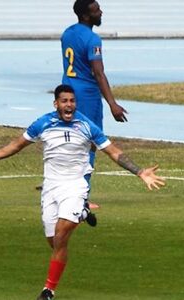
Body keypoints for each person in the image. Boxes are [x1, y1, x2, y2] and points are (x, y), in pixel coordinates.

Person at [0, 85, 165, 300]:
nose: (69, 105)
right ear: (56, 104)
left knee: (61, 236)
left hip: (75, 186)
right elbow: (16, 145)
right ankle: (83, 213)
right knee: (54, 241)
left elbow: (113, 151)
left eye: (72, 101)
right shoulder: (43, 123)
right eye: (64, 101)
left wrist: (139, 171)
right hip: (51, 187)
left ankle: (48, 290)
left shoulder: (87, 126)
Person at [61, 0, 127, 218]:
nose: (101, 12)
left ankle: (63, 186)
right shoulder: (93, 39)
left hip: (68, 90)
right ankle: (82, 197)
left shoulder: (68, 33)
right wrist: (112, 104)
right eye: (96, 10)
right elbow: (98, 74)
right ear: (87, 16)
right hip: (87, 95)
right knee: (89, 143)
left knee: (69, 138)